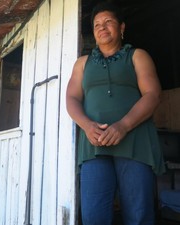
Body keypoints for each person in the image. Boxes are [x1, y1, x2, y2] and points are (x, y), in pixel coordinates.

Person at [66, 2, 166, 225]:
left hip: (135, 143)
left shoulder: (137, 56)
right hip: (94, 145)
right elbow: (71, 99)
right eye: (97, 25)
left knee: (139, 214)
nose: (102, 27)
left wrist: (123, 125)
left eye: (108, 22)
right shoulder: (82, 63)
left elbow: (152, 94)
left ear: (121, 27)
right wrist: (86, 125)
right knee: (93, 215)